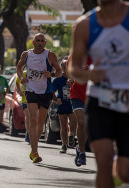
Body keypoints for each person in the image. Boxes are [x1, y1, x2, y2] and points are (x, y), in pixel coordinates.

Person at [68, 0, 129, 187]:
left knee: (125, 173)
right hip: (99, 100)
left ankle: (118, 170)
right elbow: (73, 67)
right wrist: (88, 74)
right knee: (103, 161)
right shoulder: (85, 25)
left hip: (127, 100)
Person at [16, 33, 61, 163]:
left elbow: (59, 71)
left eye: (42, 40)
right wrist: (21, 77)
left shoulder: (50, 55)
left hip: (46, 91)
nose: (40, 42)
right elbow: (19, 67)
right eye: (37, 40)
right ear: (33, 42)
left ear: (45, 43)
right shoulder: (26, 54)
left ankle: (33, 148)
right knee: (33, 120)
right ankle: (35, 152)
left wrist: (51, 74)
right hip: (31, 90)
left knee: (40, 124)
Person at [67, 54, 92, 166]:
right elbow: (70, 73)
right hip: (76, 94)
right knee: (81, 122)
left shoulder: (99, 54)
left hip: (92, 94)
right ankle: (82, 152)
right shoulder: (74, 56)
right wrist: (70, 79)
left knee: (86, 124)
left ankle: (79, 147)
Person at [52, 59, 77, 153]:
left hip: (72, 104)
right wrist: (56, 100)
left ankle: (71, 135)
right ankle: (63, 145)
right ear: (62, 68)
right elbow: (52, 92)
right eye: (63, 67)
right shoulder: (57, 80)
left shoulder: (75, 79)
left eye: (67, 66)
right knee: (63, 126)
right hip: (62, 105)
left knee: (73, 123)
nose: (65, 68)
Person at [16, 70, 30, 144]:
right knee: (28, 117)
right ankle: (28, 133)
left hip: (36, 98)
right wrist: (19, 91)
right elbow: (17, 81)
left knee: (34, 118)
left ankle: (32, 133)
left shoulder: (38, 72)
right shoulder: (24, 73)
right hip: (25, 98)